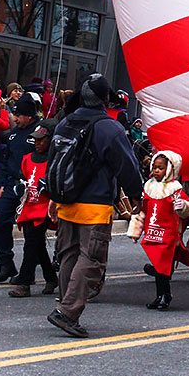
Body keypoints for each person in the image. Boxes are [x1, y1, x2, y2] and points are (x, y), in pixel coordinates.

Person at [47, 75, 142, 339]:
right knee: (92, 260)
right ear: (105, 99)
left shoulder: (65, 122)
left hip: (66, 199)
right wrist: (136, 195)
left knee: (69, 255)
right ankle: (67, 312)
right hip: (95, 204)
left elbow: (54, 162)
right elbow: (127, 165)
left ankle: (66, 304)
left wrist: (54, 197)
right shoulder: (109, 128)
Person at [0, 92, 41, 283]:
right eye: (15, 115)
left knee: (31, 230)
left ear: (30, 116)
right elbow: (5, 160)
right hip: (12, 184)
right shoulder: (12, 136)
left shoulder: (39, 133)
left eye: (19, 116)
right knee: (0, 220)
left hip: (32, 185)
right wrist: (3, 184)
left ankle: (30, 270)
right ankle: (5, 263)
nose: (15, 119)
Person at [133, 150, 189, 310]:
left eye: (160, 168)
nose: (156, 171)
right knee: (159, 267)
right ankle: (162, 295)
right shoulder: (149, 186)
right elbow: (143, 210)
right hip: (152, 232)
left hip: (167, 233)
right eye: (154, 167)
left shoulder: (174, 188)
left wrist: (183, 207)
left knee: (163, 267)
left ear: (169, 170)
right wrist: (136, 230)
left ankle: (164, 296)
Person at [8, 121, 58, 297]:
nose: (37, 143)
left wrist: (49, 188)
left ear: (49, 140)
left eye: (41, 140)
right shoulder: (27, 159)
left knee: (31, 244)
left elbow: (59, 183)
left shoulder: (54, 160)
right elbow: (22, 178)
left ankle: (24, 283)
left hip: (45, 207)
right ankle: (51, 277)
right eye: (35, 140)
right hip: (29, 206)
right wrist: (19, 187)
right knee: (37, 245)